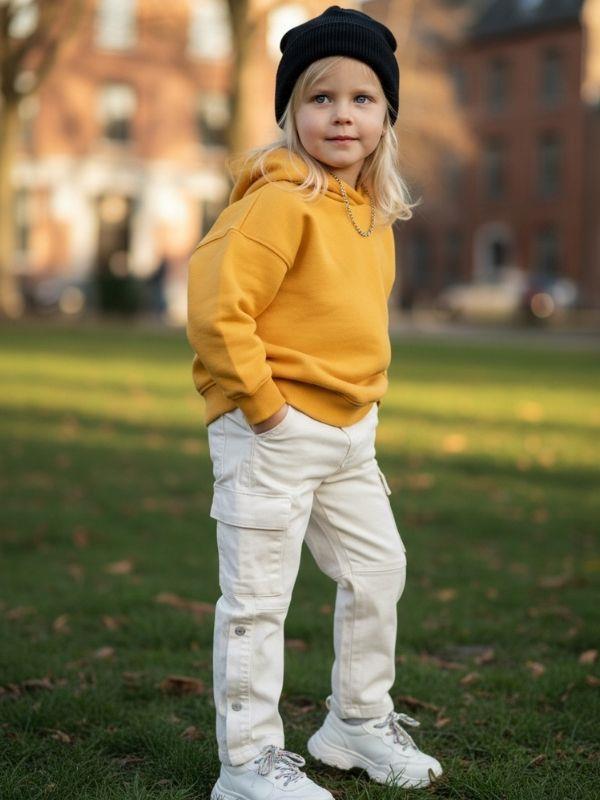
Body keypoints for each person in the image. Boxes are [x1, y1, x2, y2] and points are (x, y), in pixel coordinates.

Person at [186, 6, 443, 799]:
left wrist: (360, 410)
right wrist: (264, 407)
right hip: (272, 430)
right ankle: (247, 764)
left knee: (378, 571)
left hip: (350, 434)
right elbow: (216, 309)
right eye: (320, 98)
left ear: (386, 115)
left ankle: (356, 723)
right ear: (291, 112)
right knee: (258, 600)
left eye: (362, 99)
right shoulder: (279, 201)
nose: (341, 115)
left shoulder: (370, 212)